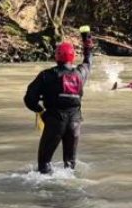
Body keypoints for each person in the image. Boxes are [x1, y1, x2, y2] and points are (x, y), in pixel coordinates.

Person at [24, 29, 95, 174]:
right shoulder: (81, 73)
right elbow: (89, 60)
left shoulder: (46, 75)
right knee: (69, 166)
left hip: (54, 122)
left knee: (44, 164)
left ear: (56, 57)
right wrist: (86, 37)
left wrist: (39, 109)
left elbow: (29, 98)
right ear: (73, 58)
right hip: (74, 124)